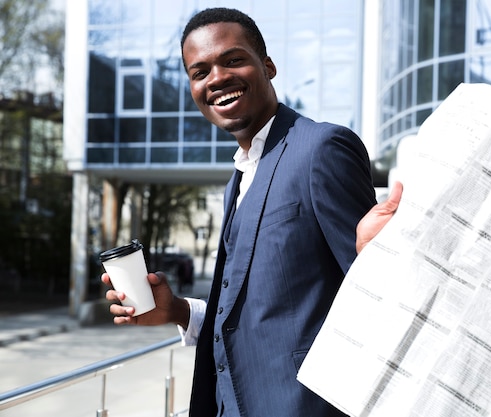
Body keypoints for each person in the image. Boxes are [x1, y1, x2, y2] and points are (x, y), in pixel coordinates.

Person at [102, 7, 402, 417]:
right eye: (200, 71)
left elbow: (382, 302)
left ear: (268, 65)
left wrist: (378, 258)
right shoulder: (238, 179)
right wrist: (177, 310)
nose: (217, 79)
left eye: (233, 60)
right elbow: (259, 313)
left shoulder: (322, 148)